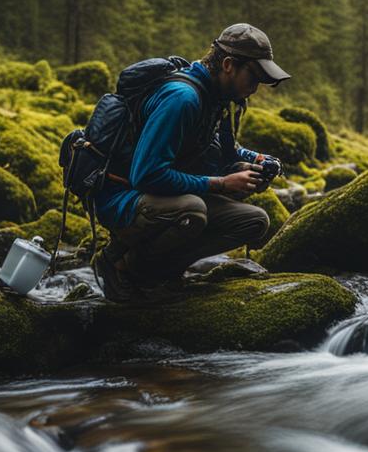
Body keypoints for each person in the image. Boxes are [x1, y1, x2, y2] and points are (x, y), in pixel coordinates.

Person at [92, 23, 291, 301]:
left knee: (254, 221)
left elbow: (218, 150)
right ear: (228, 64)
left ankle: (163, 270)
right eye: (253, 78)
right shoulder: (182, 99)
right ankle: (120, 265)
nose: (255, 89)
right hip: (123, 196)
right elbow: (146, 175)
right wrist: (221, 184)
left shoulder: (215, 97)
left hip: (160, 196)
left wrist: (248, 164)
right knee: (193, 212)